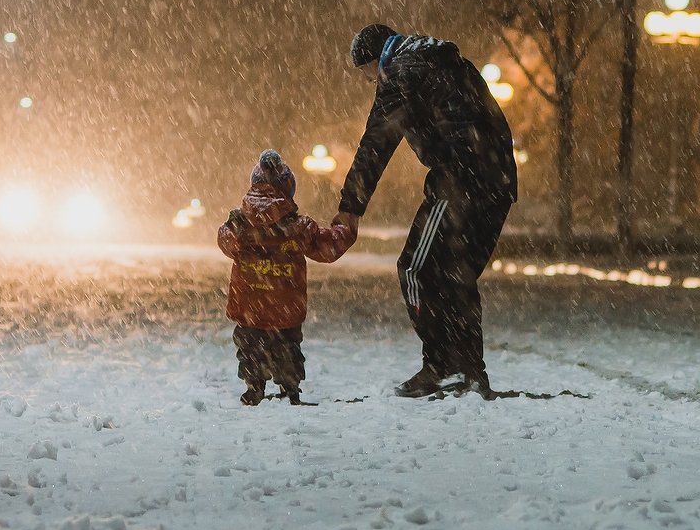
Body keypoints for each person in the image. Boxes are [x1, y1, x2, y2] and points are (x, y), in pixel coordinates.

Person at [335, 24, 517, 398]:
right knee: (456, 276)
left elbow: (377, 140)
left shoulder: (400, 71)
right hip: (497, 181)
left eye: (367, 75)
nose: (371, 82)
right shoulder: (443, 61)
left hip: (461, 181)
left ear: (375, 61)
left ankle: (440, 366)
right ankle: (467, 372)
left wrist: (351, 207)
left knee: (414, 268)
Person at [218, 149, 356, 405]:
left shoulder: (238, 224)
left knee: (250, 349)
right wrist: (346, 228)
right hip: (285, 308)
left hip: (249, 308)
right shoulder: (298, 227)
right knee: (287, 349)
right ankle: (290, 387)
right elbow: (328, 247)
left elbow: (226, 242)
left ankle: (254, 385)